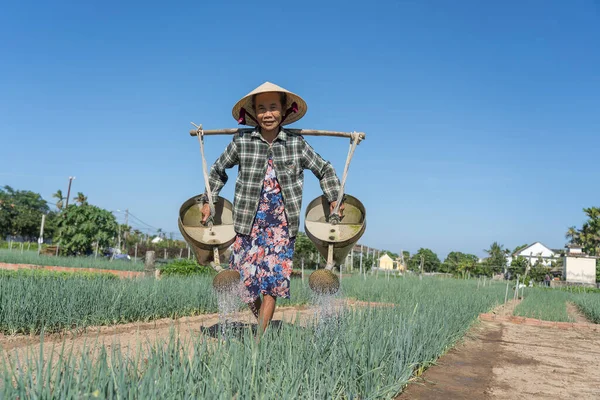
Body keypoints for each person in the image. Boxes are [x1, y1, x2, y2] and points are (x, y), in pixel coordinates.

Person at [200, 82, 344, 334]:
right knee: (243, 285)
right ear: (254, 113)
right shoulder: (242, 141)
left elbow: (325, 169)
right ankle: (262, 324)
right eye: (262, 108)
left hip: (281, 225)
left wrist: (334, 196)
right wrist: (208, 200)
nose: (268, 114)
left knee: (272, 283)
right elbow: (217, 170)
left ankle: (260, 340)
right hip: (247, 224)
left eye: (273, 107)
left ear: (284, 110)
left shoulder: (296, 144)